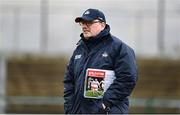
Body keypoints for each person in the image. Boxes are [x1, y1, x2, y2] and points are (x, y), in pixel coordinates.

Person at [64, 8, 138, 114]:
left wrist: (105, 104)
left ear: (102, 25)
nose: (84, 26)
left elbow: (128, 79)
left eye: (89, 22)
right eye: (82, 23)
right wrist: (70, 108)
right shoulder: (79, 49)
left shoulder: (119, 48)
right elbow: (69, 80)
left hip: (108, 111)